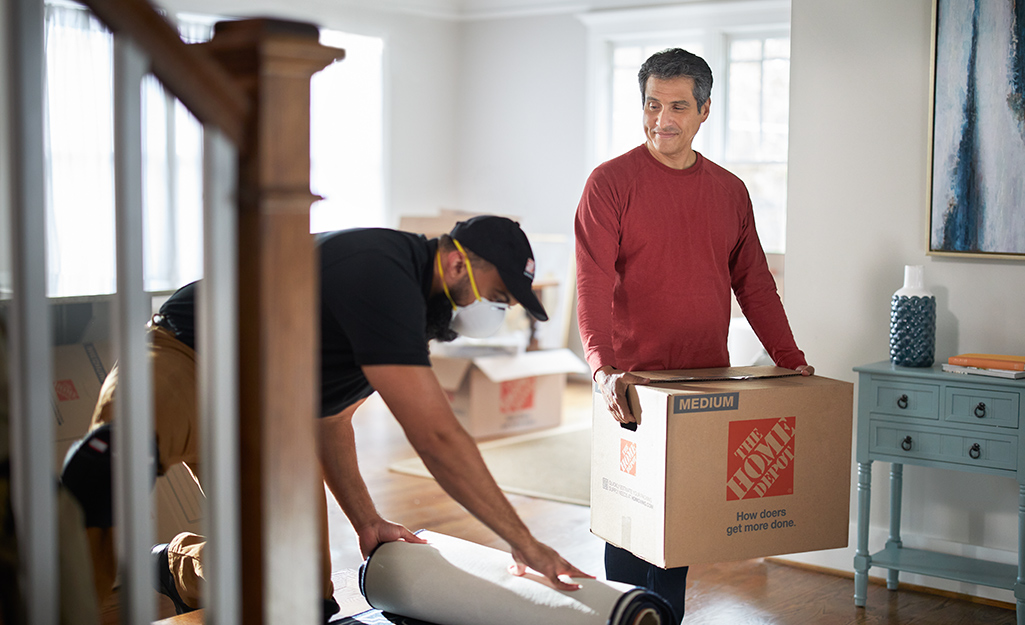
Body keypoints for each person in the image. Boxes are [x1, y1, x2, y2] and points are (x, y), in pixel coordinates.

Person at [61, 215, 589, 621]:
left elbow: (330, 419)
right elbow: (436, 437)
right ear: (457, 264)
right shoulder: (382, 270)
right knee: (109, 473)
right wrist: (525, 541)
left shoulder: (415, 313)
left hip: (260, 411)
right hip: (188, 356)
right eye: (497, 296)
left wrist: (367, 522)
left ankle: (175, 568)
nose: (495, 311)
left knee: (303, 597)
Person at [573, 48, 813, 623]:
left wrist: (790, 360)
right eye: (652, 105)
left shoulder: (730, 192)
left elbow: (754, 284)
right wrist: (603, 368)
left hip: (705, 381)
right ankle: (627, 618)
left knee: (677, 529)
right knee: (629, 525)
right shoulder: (610, 184)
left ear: (705, 110)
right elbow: (591, 284)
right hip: (632, 386)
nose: (663, 119)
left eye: (678, 106)